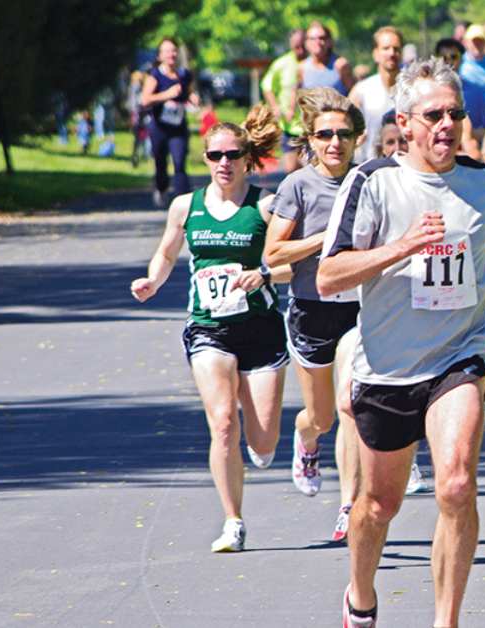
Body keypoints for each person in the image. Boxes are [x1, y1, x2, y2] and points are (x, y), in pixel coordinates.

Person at [317, 56, 485, 628]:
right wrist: (401, 248)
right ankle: (360, 596)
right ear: (405, 122)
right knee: (377, 506)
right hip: (386, 366)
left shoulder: (483, 183)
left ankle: (445, 620)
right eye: (434, 114)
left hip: (459, 354)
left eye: (455, 112)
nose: (447, 124)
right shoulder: (374, 182)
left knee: (456, 482)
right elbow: (330, 275)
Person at [131, 106, 289, 553]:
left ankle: (265, 440)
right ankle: (233, 521)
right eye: (215, 155)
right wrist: (152, 281)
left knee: (262, 441)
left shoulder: (265, 205)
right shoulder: (187, 206)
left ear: (247, 158)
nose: (224, 163)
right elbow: (165, 254)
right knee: (222, 424)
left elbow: (289, 262)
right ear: (205, 159)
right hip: (209, 327)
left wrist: (264, 273)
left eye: (232, 154)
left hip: (260, 327)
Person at [262, 87, 366, 543]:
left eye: (344, 134)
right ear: (310, 138)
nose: (334, 142)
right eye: (325, 134)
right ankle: (305, 440)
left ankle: (349, 505)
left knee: (350, 407)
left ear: (357, 138)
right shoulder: (298, 185)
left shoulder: (369, 180)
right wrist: (323, 240)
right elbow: (274, 251)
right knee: (321, 416)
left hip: (361, 310)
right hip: (311, 309)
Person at [141, 37, 199, 208]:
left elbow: (189, 92)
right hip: (159, 127)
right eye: (167, 51)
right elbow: (145, 100)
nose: (171, 54)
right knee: (160, 162)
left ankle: (183, 202)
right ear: (160, 56)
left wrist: (192, 97)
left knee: (180, 162)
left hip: (178, 126)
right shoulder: (155, 75)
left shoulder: (184, 74)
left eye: (173, 50)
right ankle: (161, 188)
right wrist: (167, 95)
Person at [350, 26, 404, 163]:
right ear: (375, 53)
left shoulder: (413, 89)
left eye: (396, 49)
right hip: (368, 164)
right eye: (386, 48)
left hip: (405, 166)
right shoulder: (361, 90)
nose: (392, 53)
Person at [435, 38, 485, 159]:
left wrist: (466, 134)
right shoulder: (428, 93)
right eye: (444, 58)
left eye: (453, 57)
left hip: (470, 156)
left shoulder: (478, 92)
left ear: (461, 59)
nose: (449, 62)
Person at [261, 29, 307, 174]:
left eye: (302, 46)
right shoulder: (282, 64)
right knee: (290, 168)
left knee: (312, 166)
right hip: (289, 125)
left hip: (309, 125)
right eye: (296, 47)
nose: (300, 50)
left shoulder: (313, 64)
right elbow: (267, 85)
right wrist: (275, 106)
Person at [294, 21, 355, 98]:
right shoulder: (302, 68)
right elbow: (296, 96)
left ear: (330, 41)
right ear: (306, 43)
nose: (318, 42)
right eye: (312, 39)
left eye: (322, 38)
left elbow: (354, 95)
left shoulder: (340, 65)